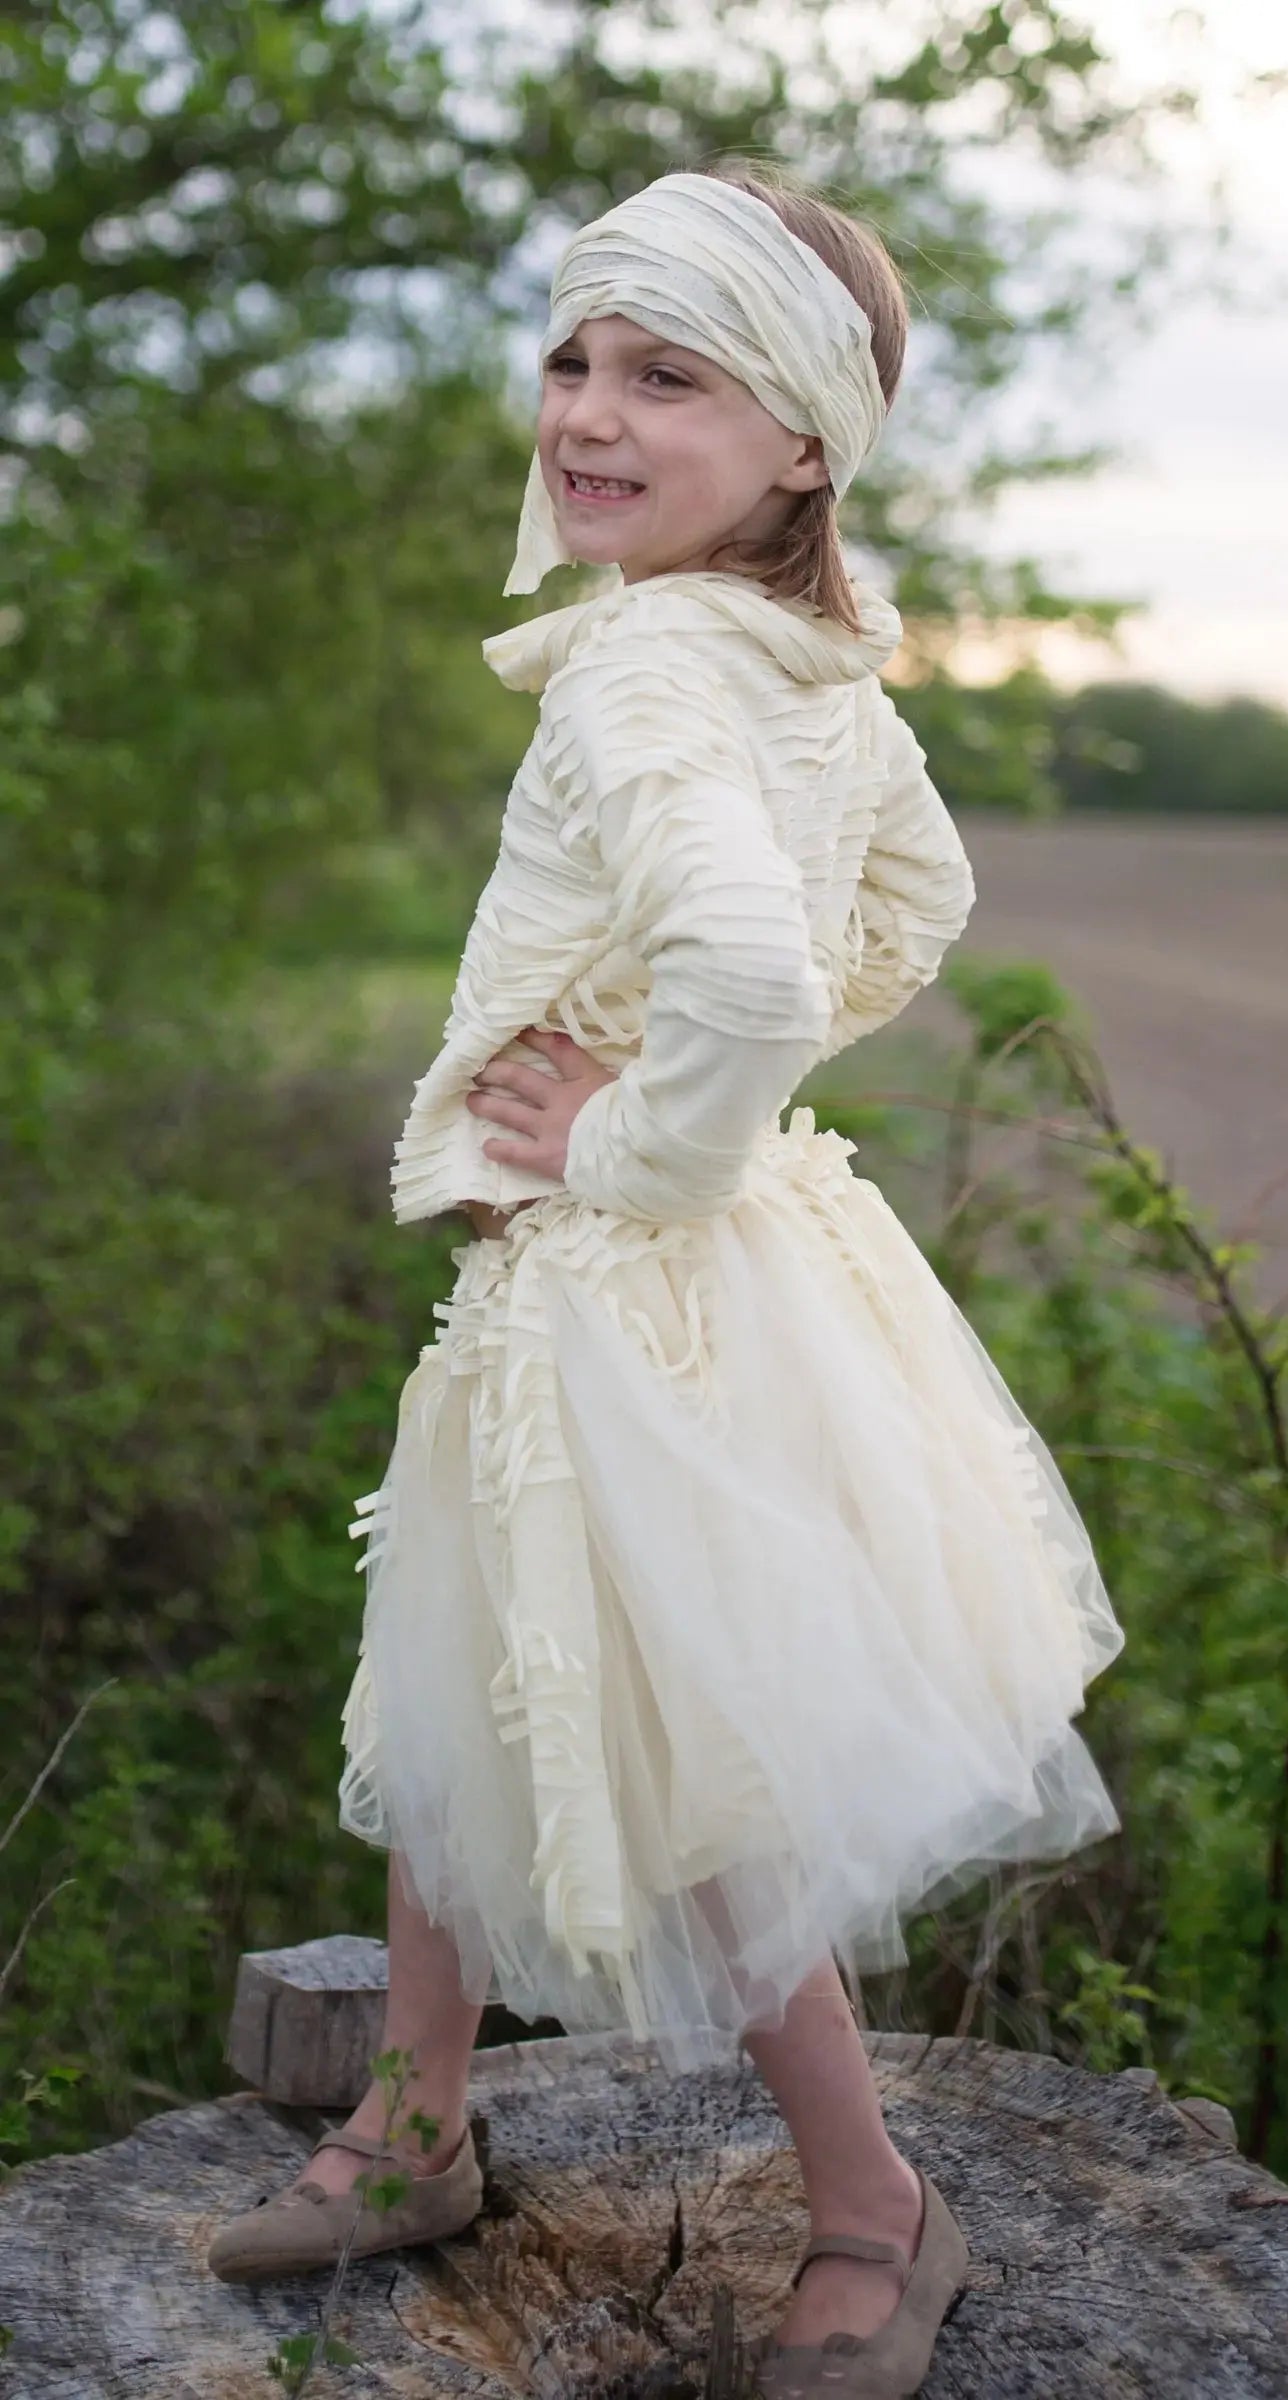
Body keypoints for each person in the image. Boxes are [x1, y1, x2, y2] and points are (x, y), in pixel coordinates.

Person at [207, 157, 1124, 2396]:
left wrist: (625, 1126)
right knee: (467, 1663)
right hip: (727, 1261)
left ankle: (868, 2207)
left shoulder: (647, 667)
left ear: (800, 439)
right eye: (572, 360)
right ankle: (420, 2117)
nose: (587, 415)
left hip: (627, 1271)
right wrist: (716, 1088)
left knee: (690, 1761)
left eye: (667, 375)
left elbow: (745, 947)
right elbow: (916, 904)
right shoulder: (807, 649)